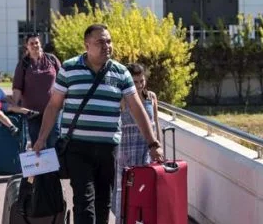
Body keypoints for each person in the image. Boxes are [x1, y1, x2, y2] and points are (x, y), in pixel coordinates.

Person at [33, 24, 164, 224]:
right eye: (100, 42)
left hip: (108, 149)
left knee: (103, 204)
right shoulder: (69, 68)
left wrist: (153, 144)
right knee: (84, 203)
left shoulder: (121, 73)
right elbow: (53, 106)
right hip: (77, 148)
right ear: (87, 45)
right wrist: (41, 138)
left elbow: (137, 109)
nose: (107, 46)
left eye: (109, 41)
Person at [112, 63, 161, 219]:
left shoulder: (151, 97)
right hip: (126, 151)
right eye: (135, 82)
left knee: (146, 190)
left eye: (142, 81)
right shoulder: (122, 100)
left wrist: (158, 146)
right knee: (125, 191)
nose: (139, 85)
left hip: (146, 150)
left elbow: (155, 124)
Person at [12, 33, 61, 147]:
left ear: (40, 43)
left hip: (52, 109)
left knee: (54, 140)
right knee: (37, 144)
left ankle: (55, 160)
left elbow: (63, 80)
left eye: (37, 42)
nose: (35, 45)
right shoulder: (23, 64)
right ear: (27, 46)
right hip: (32, 113)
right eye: (31, 43)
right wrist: (14, 106)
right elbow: (17, 88)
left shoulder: (52, 59)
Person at [0, 66, 38, 136]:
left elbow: (5, 98)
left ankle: (29, 112)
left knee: (10, 107)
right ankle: (12, 127)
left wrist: (13, 104)